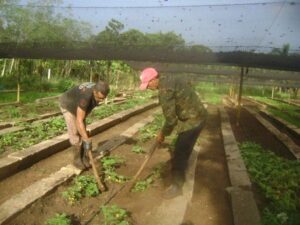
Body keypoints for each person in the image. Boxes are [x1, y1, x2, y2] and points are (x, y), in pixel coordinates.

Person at [140, 67, 207, 198]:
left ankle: (177, 186)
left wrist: (162, 134)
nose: (147, 87)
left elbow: (171, 120)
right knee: (186, 148)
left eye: (148, 84)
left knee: (179, 152)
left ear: (154, 80)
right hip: (200, 116)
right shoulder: (170, 78)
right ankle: (182, 169)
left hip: (192, 121)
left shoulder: (165, 90)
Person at [59, 81, 110, 170]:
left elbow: (81, 117)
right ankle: (77, 159)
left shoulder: (98, 89)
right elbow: (79, 120)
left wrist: (84, 135)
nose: (101, 101)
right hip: (67, 105)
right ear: (94, 92)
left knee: (82, 131)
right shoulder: (85, 97)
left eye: (103, 98)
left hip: (78, 105)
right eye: (99, 98)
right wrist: (86, 138)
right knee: (75, 132)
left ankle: (84, 156)